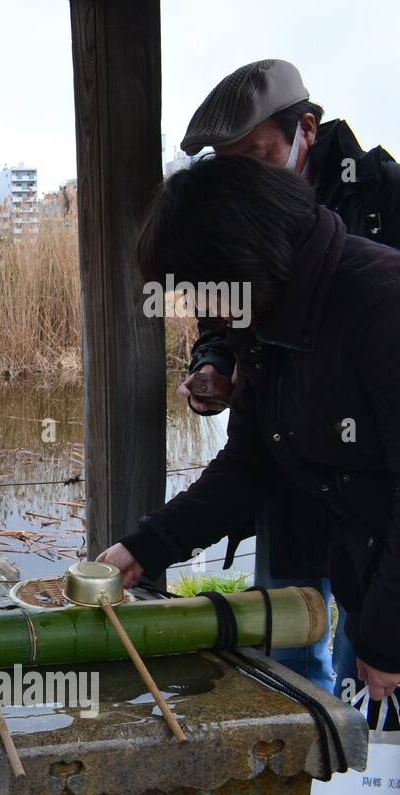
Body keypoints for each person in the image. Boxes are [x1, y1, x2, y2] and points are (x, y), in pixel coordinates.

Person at [97, 155, 400, 704]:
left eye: (193, 291)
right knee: (366, 767)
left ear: (237, 262)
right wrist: (149, 545)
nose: (196, 311)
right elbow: (250, 465)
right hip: (372, 579)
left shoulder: (380, 303)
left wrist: (387, 639)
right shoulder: (266, 317)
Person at [173, 59, 400, 696]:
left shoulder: (378, 195)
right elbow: (226, 315)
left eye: (258, 155)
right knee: (288, 647)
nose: (245, 177)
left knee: (375, 652)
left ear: (305, 129)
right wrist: (214, 364)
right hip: (290, 458)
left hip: (376, 483)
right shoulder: (233, 231)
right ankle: (305, 765)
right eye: (229, 164)